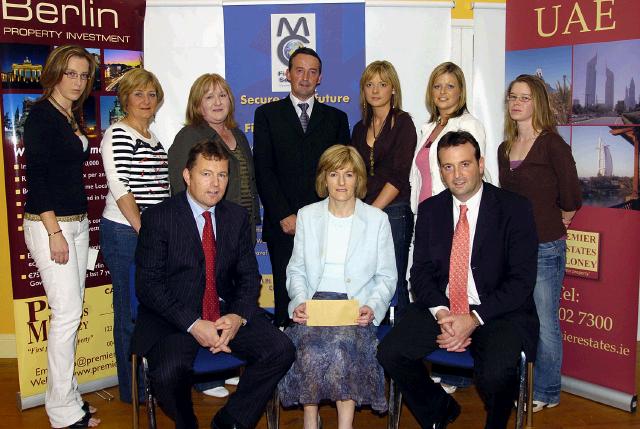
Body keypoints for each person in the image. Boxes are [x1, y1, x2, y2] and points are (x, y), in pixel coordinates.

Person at [377, 131, 539, 429]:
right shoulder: (430, 210)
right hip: (444, 307)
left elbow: (521, 282)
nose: (457, 175)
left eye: (465, 164)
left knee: (497, 373)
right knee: (390, 351)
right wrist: (443, 313)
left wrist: (473, 319)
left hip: (496, 312)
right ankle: (438, 409)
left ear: (480, 163)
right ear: (440, 170)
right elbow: (420, 274)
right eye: (448, 167)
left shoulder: (514, 208)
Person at [130, 139, 295, 429]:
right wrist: (194, 324)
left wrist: (237, 316)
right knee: (167, 374)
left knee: (281, 349)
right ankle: (188, 424)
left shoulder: (236, 216)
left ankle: (230, 421)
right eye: (206, 174)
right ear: (187, 176)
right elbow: (149, 286)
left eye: (222, 174)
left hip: (224, 311)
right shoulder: (159, 217)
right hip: (175, 317)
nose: (215, 183)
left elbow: (248, 276)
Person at [279, 145, 396, 429]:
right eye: (334, 174)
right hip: (314, 304)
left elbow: (387, 277)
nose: (341, 183)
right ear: (324, 178)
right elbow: (296, 269)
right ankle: (311, 419)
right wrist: (300, 300)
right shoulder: (307, 215)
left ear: (359, 179)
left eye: (349, 174)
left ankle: (346, 424)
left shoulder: (377, 220)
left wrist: (373, 306)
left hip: (355, 305)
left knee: (343, 348)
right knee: (307, 348)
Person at [22, 45, 100, 428]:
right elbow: (36, 178)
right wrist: (54, 232)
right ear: (54, 73)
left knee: (70, 314)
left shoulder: (69, 113)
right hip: (51, 224)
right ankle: (62, 413)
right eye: (71, 73)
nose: (78, 81)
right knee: (67, 316)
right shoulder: (41, 115)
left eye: (84, 75)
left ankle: (69, 397)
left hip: (76, 222)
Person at [498, 74, 582, 413]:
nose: (517, 103)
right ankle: (519, 384)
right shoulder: (505, 148)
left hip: (546, 248)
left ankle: (548, 390)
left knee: (546, 324)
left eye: (525, 97)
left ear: (538, 104)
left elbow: (572, 196)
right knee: (518, 320)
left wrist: (557, 221)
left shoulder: (552, 144)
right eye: (513, 97)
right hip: (513, 251)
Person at [253, 47, 350, 327]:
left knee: (323, 293)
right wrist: (283, 214)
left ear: (320, 78)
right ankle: (287, 360)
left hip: (326, 223)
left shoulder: (336, 119)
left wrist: (326, 217)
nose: (305, 77)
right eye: (299, 70)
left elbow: (343, 172)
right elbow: (264, 169)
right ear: (288, 74)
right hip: (283, 223)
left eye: (312, 71)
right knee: (286, 298)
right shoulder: (267, 115)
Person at [99, 68, 170, 403]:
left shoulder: (154, 139)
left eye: (151, 94)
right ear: (125, 98)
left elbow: (160, 190)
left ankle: (151, 381)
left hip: (150, 233)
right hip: (126, 234)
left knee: (152, 311)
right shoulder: (117, 134)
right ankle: (133, 393)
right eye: (138, 94)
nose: (145, 100)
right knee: (128, 313)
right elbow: (121, 188)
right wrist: (145, 232)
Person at [350, 60, 416, 316]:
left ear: (393, 90)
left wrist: (372, 212)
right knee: (366, 282)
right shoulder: (358, 129)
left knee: (396, 282)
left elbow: (399, 176)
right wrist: (361, 212)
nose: (375, 90)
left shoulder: (403, 123)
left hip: (394, 212)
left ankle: (401, 348)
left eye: (382, 84)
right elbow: (354, 172)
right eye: (369, 84)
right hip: (364, 211)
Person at [169, 73, 260, 243]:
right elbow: (179, 186)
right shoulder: (188, 136)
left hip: (244, 228)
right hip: (208, 230)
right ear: (197, 105)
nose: (218, 102)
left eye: (222, 95)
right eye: (209, 97)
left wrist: (253, 221)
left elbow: (250, 182)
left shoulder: (238, 135)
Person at [409, 62, 496, 213]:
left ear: (461, 91)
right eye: (437, 86)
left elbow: (475, 175)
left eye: (450, 86)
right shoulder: (429, 128)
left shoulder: (469, 125)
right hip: (425, 213)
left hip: (455, 213)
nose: (442, 92)